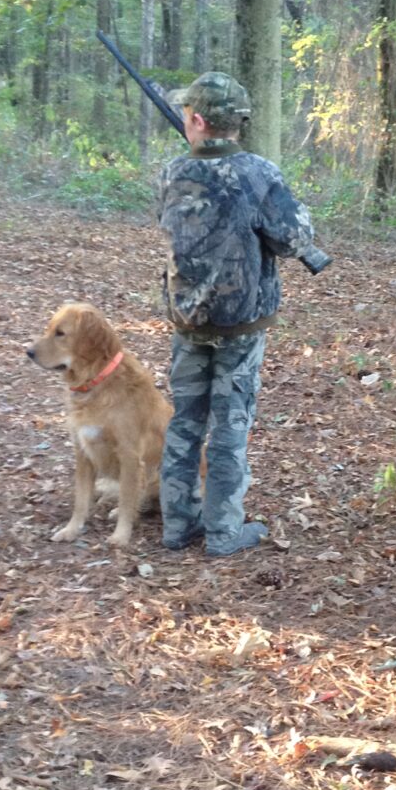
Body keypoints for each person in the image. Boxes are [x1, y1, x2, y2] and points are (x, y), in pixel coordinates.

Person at [156, 71, 317, 557]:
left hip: (188, 320)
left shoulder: (170, 173)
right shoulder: (260, 174)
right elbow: (292, 240)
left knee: (185, 420)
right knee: (230, 425)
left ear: (198, 120)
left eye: (187, 114)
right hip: (241, 326)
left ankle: (177, 525)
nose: (184, 121)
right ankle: (224, 531)